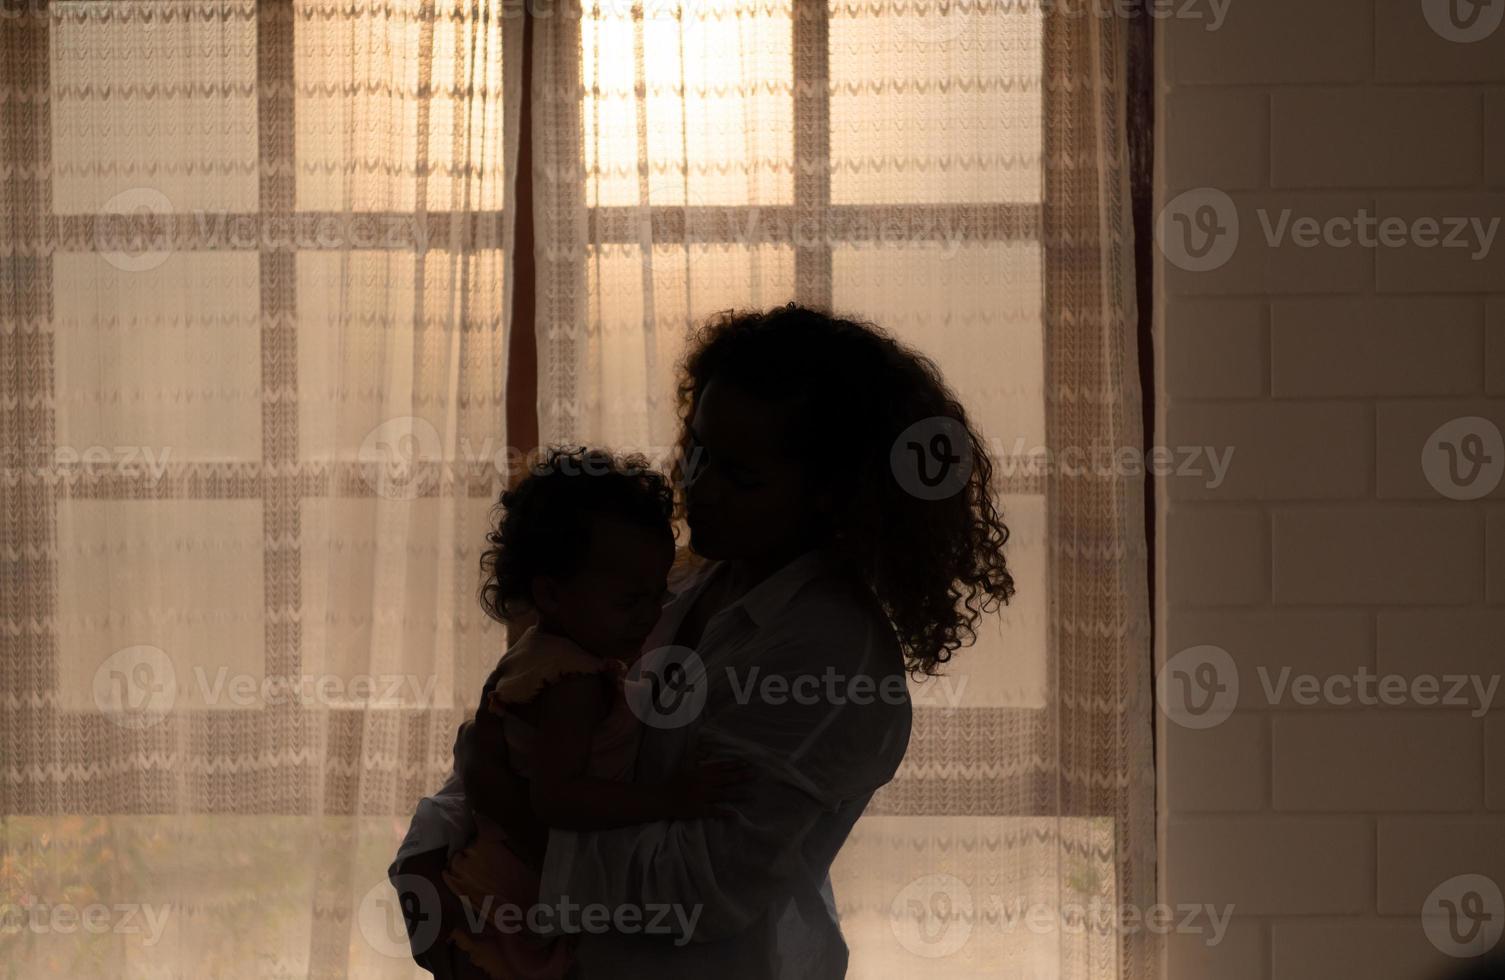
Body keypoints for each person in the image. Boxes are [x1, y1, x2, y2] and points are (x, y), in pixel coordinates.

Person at [391, 304, 1017, 978]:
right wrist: (427, 861)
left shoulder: (831, 656)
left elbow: (695, 888)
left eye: (741, 477)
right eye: (697, 452)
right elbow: (516, 730)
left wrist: (507, 813)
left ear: (832, 494)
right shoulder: (679, 578)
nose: (698, 488)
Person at [437, 447, 749, 979]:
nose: (651, 615)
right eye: (630, 602)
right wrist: (669, 798)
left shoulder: (543, 651)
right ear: (552, 594)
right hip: (513, 903)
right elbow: (557, 798)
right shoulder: (572, 683)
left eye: (657, 595)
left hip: (498, 887)